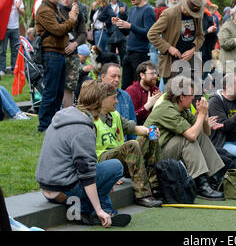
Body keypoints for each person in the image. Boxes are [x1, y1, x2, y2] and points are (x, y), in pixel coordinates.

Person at [35, 80, 132, 227]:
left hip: (47, 188)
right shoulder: (83, 131)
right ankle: (93, 211)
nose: (116, 101)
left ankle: (100, 209)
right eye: (110, 98)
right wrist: (99, 209)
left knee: (100, 169)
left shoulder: (64, 115)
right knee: (116, 166)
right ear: (100, 102)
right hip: (64, 190)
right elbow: (87, 174)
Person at [144, 76, 225, 200]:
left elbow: (206, 133)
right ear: (181, 96)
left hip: (164, 151)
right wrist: (201, 115)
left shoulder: (182, 108)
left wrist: (203, 117)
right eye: (191, 94)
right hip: (152, 158)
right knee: (186, 140)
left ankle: (215, 177)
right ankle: (200, 183)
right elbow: (191, 136)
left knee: (199, 135)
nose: (193, 98)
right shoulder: (166, 108)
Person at [95, 83, 163, 208]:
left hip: (119, 159)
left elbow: (134, 128)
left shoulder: (115, 115)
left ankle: (156, 187)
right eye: (114, 98)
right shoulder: (91, 119)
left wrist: (150, 132)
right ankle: (143, 194)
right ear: (102, 99)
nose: (117, 101)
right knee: (132, 144)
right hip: (102, 163)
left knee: (151, 137)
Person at [35, 0, 78, 132]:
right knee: (51, 91)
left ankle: (53, 123)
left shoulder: (54, 8)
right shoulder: (44, 10)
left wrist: (71, 19)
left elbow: (63, 27)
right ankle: (44, 125)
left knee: (59, 92)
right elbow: (59, 30)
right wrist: (72, 19)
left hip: (59, 54)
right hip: (51, 53)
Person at [147, 0, 205, 85]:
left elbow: (200, 35)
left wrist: (193, 50)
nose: (190, 14)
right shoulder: (169, 14)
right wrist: (169, 48)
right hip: (172, 62)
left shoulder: (196, 15)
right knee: (174, 96)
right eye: (188, 11)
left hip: (192, 62)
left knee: (194, 95)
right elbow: (152, 34)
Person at [113, 0, 157, 90]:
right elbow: (128, 32)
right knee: (125, 87)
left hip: (140, 54)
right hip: (129, 52)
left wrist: (130, 26)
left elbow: (149, 33)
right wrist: (119, 24)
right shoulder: (132, 10)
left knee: (139, 87)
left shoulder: (148, 10)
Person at [59, 0, 87, 108]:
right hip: (57, 53)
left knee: (70, 87)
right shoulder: (55, 10)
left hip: (72, 54)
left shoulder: (78, 13)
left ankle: (68, 114)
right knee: (55, 86)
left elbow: (83, 33)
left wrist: (74, 44)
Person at [101, 63, 137, 140]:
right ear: (103, 77)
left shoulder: (125, 96)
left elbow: (132, 125)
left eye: (119, 77)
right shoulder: (94, 95)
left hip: (124, 145)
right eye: (113, 76)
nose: (117, 80)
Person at [125, 60, 162, 126]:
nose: (155, 76)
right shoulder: (131, 91)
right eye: (152, 74)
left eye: (155, 73)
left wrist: (160, 102)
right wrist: (148, 105)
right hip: (137, 129)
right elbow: (131, 118)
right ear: (142, 75)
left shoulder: (155, 89)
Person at [0, 0, 24, 76]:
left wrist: (17, 7)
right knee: (2, 50)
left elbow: (23, 13)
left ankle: (15, 68)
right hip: (4, 27)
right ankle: (2, 70)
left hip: (15, 28)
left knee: (15, 49)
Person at [106, 0, 128, 65]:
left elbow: (128, 19)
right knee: (110, 57)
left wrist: (123, 13)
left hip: (121, 34)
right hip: (110, 35)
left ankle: (123, 70)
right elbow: (103, 18)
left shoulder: (123, 5)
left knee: (124, 56)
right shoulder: (106, 6)